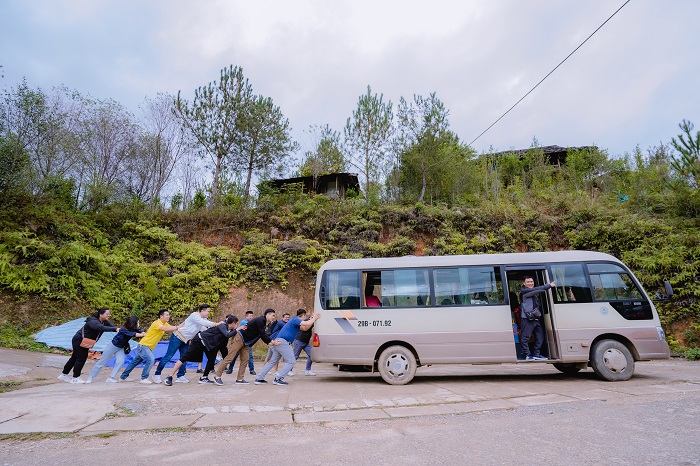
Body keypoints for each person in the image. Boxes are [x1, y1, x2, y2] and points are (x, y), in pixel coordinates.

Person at [164, 316, 239, 386]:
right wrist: (237, 330)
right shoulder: (222, 325)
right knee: (185, 357)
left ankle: (204, 377)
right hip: (199, 340)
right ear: (232, 323)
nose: (236, 326)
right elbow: (227, 335)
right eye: (235, 324)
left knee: (212, 359)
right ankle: (169, 376)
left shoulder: (229, 329)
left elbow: (224, 342)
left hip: (208, 345)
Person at [153, 304, 217, 384]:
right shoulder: (195, 315)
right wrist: (215, 324)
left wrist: (218, 326)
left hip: (185, 340)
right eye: (208, 311)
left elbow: (206, 325)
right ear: (202, 311)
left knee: (184, 358)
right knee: (169, 356)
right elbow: (203, 322)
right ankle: (157, 374)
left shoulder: (203, 320)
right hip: (177, 337)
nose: (208, 313)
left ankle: (180, 376)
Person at [255, 309, 320, 386]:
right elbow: (306, 323)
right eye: (305, 317)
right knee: (291, 361)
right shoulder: (295, 320)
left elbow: (305, 328)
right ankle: (278, 379)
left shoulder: (294, 322)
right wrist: (314, 318)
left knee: (272, 361)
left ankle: (259, 378)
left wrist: (311, 319)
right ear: (303, 316)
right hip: (283, 342)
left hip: (279, 341)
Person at [213, 309, 277, 385]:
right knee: (229, 357)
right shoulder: (261, 320)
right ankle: (217, 376)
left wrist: (270, 341)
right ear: (267, 314)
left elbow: (261, 334)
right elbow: (262, 334)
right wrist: (271, 342)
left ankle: (239, 379)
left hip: (246, 342)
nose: (273, 317)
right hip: (240, 338)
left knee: (245, 359)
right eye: (273, 315)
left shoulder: (263, 322)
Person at [119, 309, 182, 384]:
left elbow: (170, 328)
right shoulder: (157, 323)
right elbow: (165, 329)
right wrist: (178, 326)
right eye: (167, 315)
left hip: (146, 347)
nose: (169, 316)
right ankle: (144, 378)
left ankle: (123, 377)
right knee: (151, 360)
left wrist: (181, 326)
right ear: (161, 316)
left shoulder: (165, 323)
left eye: (169, 315)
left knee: (135, 362)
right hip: (144, 346)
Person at [58, 308, 118, 384]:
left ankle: (64, 375)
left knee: (74, 358)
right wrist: (115, 329)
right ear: (101, 314)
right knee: (81, 358)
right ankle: (75, 378)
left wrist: (119, 329)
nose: (109, 315)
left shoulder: (104, 321)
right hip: (79, 340)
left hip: (84, 341)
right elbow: (101, 328)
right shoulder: (93, 321)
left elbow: (111, 327)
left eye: (109, 314)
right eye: (107, 314)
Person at [86, 316, 145, 383]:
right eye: (137, 322)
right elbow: (134, 334)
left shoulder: (133, 328)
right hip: (113, 346)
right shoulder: (123, 329)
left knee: (120, 361)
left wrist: (142, 332)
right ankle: (90, 377)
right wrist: (142, 334)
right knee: (102, 361)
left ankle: (111, 377)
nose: (138, 323)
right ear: (133, 322)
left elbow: (138, 330)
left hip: (121, 347)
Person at [519, 276, 555, 361]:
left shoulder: (532, 290)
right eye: (528, 282)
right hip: (527, 318)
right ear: (524, 283)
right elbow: (537, 290)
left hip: (535, 318)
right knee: (525, 337)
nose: (530, 283)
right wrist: (548, 286)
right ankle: (527, 355)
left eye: (532, 281)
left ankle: (536, 354)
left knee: (540, 336)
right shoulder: (524, 291)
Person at [224, 310, 256, 375]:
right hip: (239, 342)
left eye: (252, 316)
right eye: (250, 316)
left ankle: (251, 370)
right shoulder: (244, 322)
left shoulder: (250, 322)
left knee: (249, 356)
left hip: (246, 343)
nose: (251, 317)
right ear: (246, 316)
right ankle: (230, 369)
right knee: (234, 356)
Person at [293, 310, 316, 376]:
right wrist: (313, 319)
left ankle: (308, 370)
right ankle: (289, 370)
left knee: (311, 355)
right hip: (299, 341)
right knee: (295, 356)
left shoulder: (312, 321)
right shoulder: (305, 321)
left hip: (306, 342)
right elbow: (306, 327)